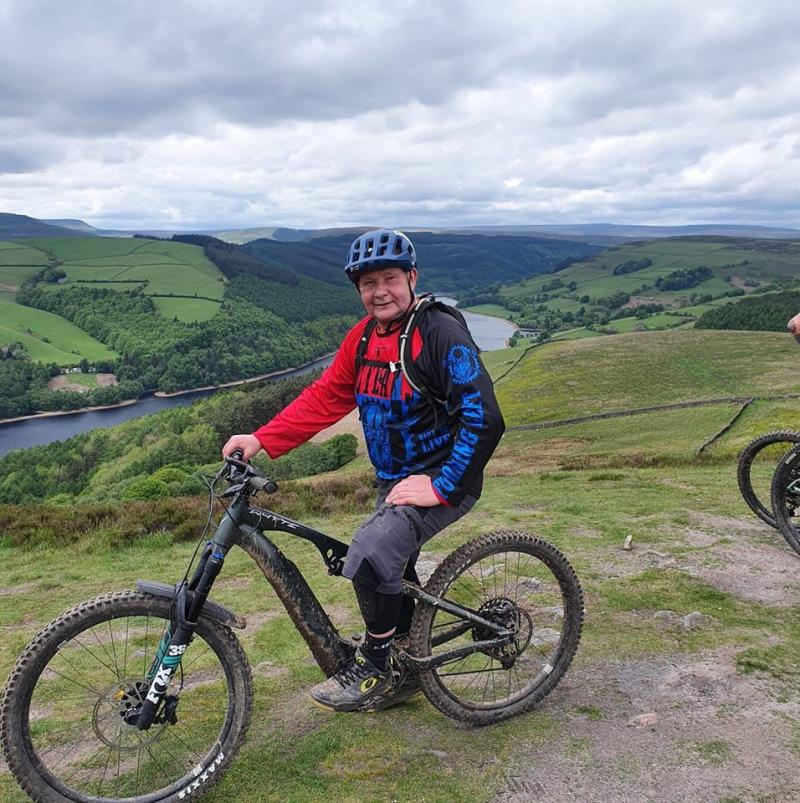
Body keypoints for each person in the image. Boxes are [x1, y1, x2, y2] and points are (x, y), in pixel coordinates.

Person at [222, 228, 505, 712]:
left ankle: (377, 666)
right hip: (395, 479)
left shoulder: (438, 333)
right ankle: (407, 656)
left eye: (390, 278)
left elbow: (486, 417)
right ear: (358, 288)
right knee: (391, 565)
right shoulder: (363, 339)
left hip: (442, 477)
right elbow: (325, 397)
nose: (380, 291)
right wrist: (262, 439)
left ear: (412, 277)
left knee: (371, 553)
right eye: (368, 283)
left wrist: (441, 486)